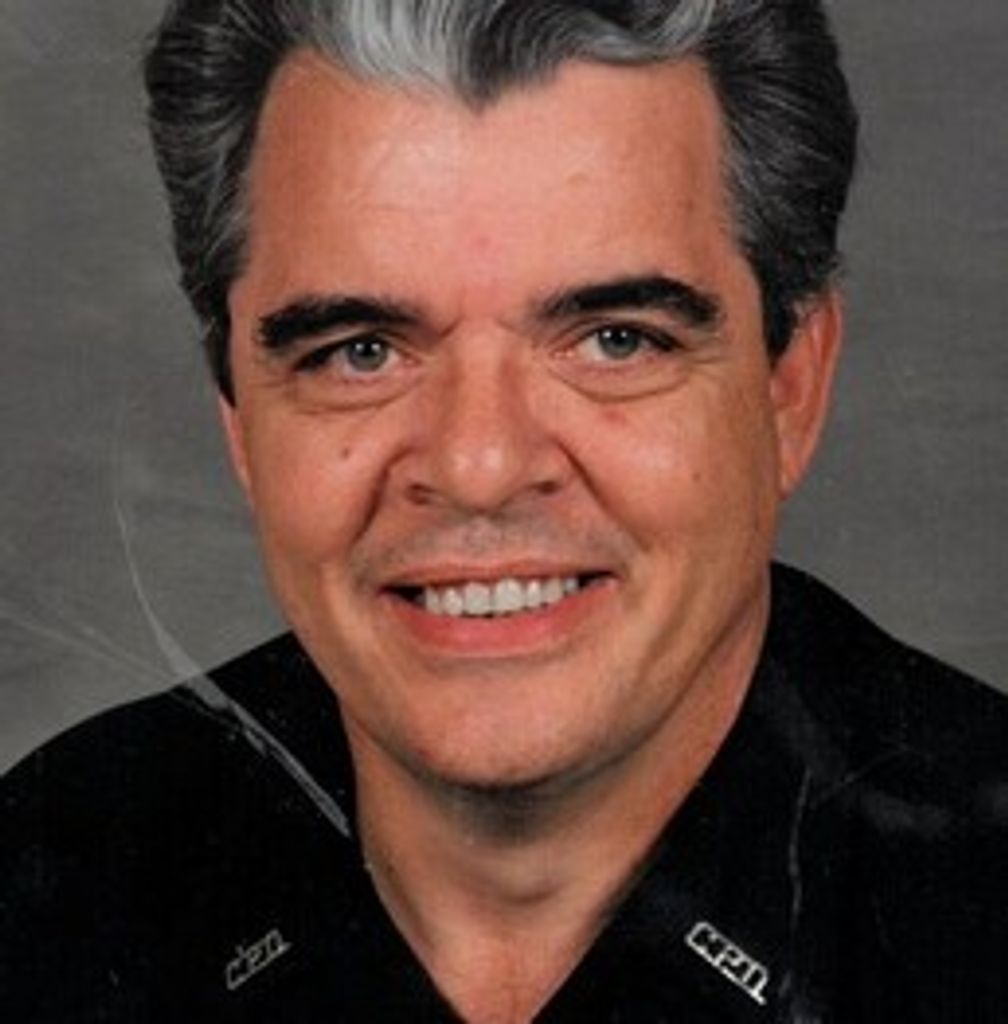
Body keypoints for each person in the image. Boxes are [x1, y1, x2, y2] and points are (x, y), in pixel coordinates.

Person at [2, 1, 1005, 1020]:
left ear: (790, 388)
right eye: (361, 353)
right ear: (238, 419)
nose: (480, 467)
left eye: (616, 340)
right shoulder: (44, 890)